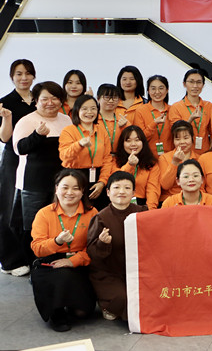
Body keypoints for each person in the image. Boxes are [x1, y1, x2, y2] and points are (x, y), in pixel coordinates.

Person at [30, 169, 98, 332]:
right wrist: (57, 241)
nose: (70, 192)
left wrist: (72, 261)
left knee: (82, 313)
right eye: (65, 187)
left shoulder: (92, 213)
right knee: (61, 275)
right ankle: (56, 311)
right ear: (56, 189)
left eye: (76, 188)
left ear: (82, 191)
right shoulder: (44, 214)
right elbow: (37, 248)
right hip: (50, 262)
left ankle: (70, 302)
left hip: (80, 262)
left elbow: (94, 247)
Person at [86, 170, 147, 321]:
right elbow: (92, 254)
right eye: (117, 187)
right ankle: (106, 304)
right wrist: (102, 243)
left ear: (133, 192)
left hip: (137, 270)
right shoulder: (101, 218)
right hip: (109, 272)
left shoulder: (142, 213)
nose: (122, 191)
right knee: (124, 299)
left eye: (127, 188)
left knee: (149, 298)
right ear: (108, 192)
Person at [14, 82, 72, 233]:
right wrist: (37, 135)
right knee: (34, 228)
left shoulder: (66, 120)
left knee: (57, 226)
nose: (50, 103)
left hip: (60, 182)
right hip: (34, 184)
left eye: (55, 98)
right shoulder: (27, 120)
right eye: (45, 99)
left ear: (61, 100)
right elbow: (20, 149)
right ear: (36, 100)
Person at [0, 59, 36, 277]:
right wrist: (7, 119)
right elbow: (4, 137)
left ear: (34, 76)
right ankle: (10, 261)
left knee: (30, 210)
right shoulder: (5, 102)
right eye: (19, 74)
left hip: (37, 160)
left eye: (28, 73)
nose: (24, 78)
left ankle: (30, 256)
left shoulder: (40, 99)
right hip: (13, 160)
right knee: (8, 209)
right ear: (12, 77)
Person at [58, 95, 114, 206]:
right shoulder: (68, 131)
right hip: (74, 177)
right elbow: (64, 156)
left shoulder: (102, 131)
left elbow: (107, 159)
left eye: (93, 108)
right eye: (84, 109)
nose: (89, 112)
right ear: (77, 110)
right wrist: (79, 145)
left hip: (97, 177)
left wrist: (102, 182)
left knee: (99, 211)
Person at [113, 125, 160, 209]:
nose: (133, 144)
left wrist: (150, 211)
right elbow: (117, 181)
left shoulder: (151, 164)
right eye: (128, 141)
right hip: (119, 204)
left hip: (142, 205)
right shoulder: (115, 161)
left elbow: (153, 191)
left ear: (143, 142)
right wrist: (130, 165)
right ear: (122, 143)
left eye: (137, 140)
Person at [168, 69, 212, 154]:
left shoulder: (209, 106)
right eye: (191, 82)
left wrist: (211, 150)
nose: (195, 86)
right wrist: (190, 120)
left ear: (203, 85)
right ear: (184, 84)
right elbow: (175, 132)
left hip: (205, 153)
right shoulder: (176, 107)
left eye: (199, 82)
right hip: (183, 153)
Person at [157, 120, 198, 203]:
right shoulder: (164, 158)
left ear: (192, 138)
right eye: (177, 139)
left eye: (186, 138)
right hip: (171, 201)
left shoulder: (199, 159)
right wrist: (174, 163)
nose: (182, 142)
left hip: (193, 201)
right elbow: (165, 185)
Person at [133, 75, 171, 158]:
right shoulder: (140, 110)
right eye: (153, 88)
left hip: (170, 158)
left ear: (167, 90)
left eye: (161, 88)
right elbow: (139, 138)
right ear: (148, 91)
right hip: (147, 158)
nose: (157, 92)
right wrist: (154, 123)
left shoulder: (172, 110)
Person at [95, 84, 128, 152]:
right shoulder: (93, 120)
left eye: (115, 97)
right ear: (98, 99)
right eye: (107, 97)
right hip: (99, 157)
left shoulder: (123, 120)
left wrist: (124, 127)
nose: (111, 101)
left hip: (119, 157)